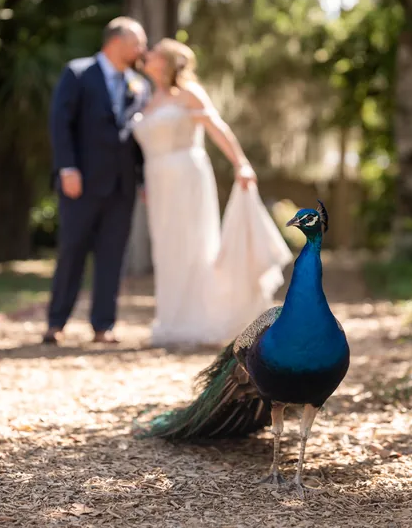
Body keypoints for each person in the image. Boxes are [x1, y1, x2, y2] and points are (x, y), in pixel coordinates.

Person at [131, 39, 293, 347]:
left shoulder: (189, 92)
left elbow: (217, 126)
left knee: (191, 245)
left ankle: (199, 320)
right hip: (157, 182)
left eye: (152, 52)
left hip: (186, 176)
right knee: (165, 250)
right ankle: (172, 320)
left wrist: (240, 162)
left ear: (165, 62)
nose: (146, 55)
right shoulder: (148, 96)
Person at [43, 17, 150, 345]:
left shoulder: (139, 85)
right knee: (72, 251)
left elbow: (140, 140)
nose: (142, 50)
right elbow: (61, 122)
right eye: (137, 43)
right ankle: (56, 323)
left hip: (121, 187)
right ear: (116, 41)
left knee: (113, 256)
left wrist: (142, 181)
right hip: (82, 182)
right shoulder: (78, 73)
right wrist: (67, 168)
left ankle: (103, 325)